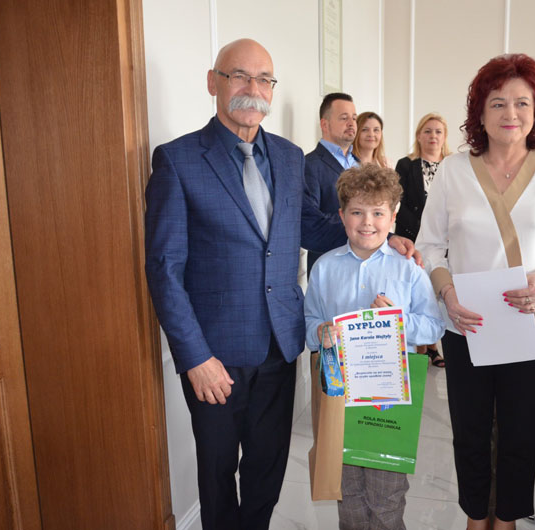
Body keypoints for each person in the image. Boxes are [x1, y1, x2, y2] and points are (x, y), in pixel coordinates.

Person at [144, 39, 418, 530]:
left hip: (279, 344)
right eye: (239, 76)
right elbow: (164, 269)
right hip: (215, 357)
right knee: (217, 470)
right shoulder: (178, 160)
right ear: (213, 82)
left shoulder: (290, 158)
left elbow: (310, 227)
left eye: (264, 79)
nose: (253, 88)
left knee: (268, 466)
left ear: (272, 89)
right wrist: (195, 358)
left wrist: (379, 234)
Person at [416, 53, 535, 530]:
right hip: (467, 324)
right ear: (480, 112)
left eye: (522, 102)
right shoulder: (454, 170)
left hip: (532, 327)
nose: (510, 113)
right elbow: (429, 245)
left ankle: (508, 519)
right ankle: (476, 516)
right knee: (469, 432)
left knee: (520, 434)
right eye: (497, 103)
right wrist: (446, 292)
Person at [305, 164, 445, 530]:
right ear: (342, 216)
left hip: (390, 400)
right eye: (357, 212)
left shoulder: (409, 269)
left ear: (393, 216)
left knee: (386, 496)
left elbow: (433, 325)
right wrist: (321, 331)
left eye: (378, 213)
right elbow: (309, 323)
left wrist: (396, 320)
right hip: (339, 396)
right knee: (347, 491)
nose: (367, 222)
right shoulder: (324, 268)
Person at [395, 113, 452, 367]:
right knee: (418, 293)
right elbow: (399, 202)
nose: (433, 136)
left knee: (441, 290)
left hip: (446, 242)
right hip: (412, 240)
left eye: (438, 131)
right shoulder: (406, 165)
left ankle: (436, 344)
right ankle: (424, 348)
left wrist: (442, 232)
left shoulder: (453, 166)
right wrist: (424, 231)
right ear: (419, 135)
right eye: (427, 131)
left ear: (444, 136)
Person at [304, 93, 359, 273]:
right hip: (330, 268)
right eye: (344, 118)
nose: (351, 123)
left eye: (354, 118)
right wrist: (358, 223)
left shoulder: (360, 165)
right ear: (324, 124)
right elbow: (311, 224)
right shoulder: (309, 165)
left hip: (365, 265)